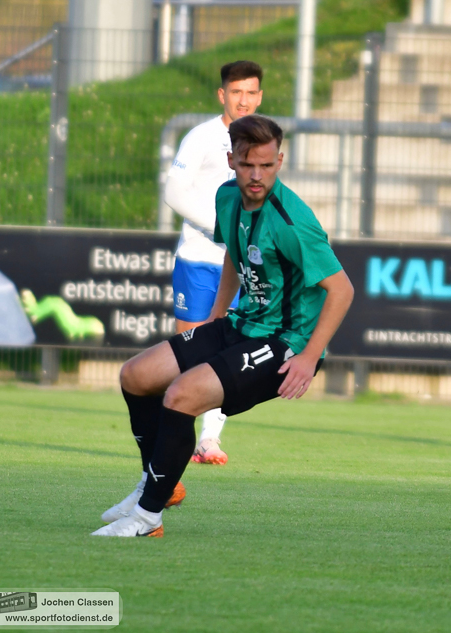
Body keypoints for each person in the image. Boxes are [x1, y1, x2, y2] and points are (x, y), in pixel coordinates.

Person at [94, 115, 354, 537]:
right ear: (232, 160)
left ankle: (147, 517)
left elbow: (341, 289)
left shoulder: (291, 222)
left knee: (182, 395)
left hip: (286, 341)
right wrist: (217, 315)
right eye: (248, 164)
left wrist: (309, 357)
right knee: (136, 376)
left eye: (266, 165)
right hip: (240, 323)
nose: (257, 175)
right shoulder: (227, 196)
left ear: (280, 161)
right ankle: (155, 485)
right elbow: (236, 250)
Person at [165, 60, 265, 466]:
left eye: (251, 92)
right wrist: (222, 228)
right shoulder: (202, 137)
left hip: (241, 264)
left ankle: (209, 439)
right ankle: (177, 439)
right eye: (236, 92)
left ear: (260, 96)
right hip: (199, 260)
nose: (244, 100)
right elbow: (174, 192)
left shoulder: (262, 141)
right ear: (222, 95)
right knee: (191, 352)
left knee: (230, 350)